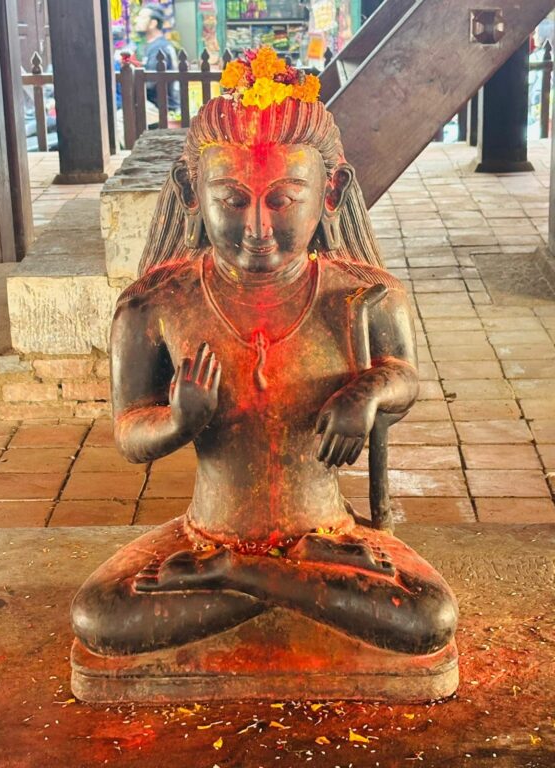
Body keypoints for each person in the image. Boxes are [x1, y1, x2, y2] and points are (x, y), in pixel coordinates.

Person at [71, 48, 457, 674]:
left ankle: (242, 575)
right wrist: (177, 422)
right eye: (232, 199)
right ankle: (284, 580)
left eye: (282, 200)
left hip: (326, 528)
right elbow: (129, 433)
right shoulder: (155, 304)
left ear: (330, 192)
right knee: (100, 615)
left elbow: (404, 380)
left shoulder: (363, 296)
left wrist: (367, 393)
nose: (256, 227)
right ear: (191, 193)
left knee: (429, 616)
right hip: (208, 531)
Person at [135, 3, 180, 114]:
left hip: (161, 108)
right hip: (153, 105)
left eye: (142, 17)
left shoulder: (159, 48)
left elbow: (150, 82)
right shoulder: (151, 45)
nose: (137, 20)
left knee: (118, 119)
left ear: (153, 23)